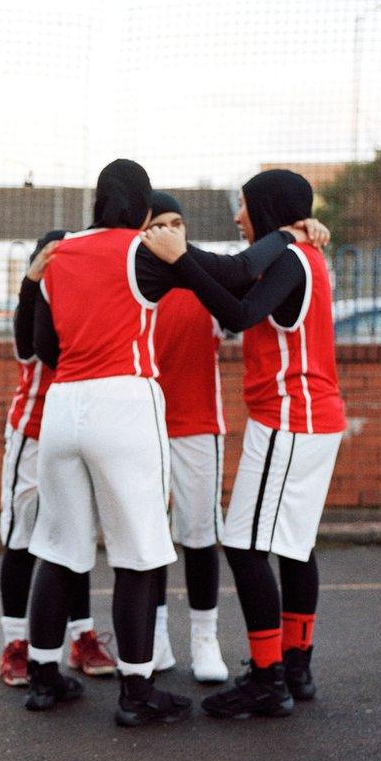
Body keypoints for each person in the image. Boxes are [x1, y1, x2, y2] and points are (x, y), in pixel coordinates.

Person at [24, 160, 317, 727]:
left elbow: (43, 346)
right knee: (139, 553)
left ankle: (43, 676)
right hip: (123, 401)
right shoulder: (139, 251)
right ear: (139, 208)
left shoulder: (59, 253)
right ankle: (137, 692)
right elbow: (234, 277)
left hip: (62, 406)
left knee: (58, 548)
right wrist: (285, 233)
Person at [143, 169, 345, 719]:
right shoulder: (296, 254)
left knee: (245, 545)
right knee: (294, 545)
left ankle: (268, 678)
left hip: (289, 418)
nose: (237, 216)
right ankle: (295, 666)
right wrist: (181, 254)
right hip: (310, 418)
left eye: (243, 205)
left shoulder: (289, 260)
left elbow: (237, 311)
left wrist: (181, 259)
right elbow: (231, 274)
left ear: (265, 206)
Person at [0, 230, 116, 686]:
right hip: (33, 432)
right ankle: (16, 643)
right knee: (23, 537)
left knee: (75, 537)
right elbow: (28, 344)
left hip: (79, 431)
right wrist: (32, 279)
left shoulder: (89, 304)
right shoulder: (36, 303)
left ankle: (81, 635)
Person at [146, 191, 229, 684]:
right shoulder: (134, 284)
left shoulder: (205, 281)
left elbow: (254, 280)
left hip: (198, 427)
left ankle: (205, 638)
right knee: (149, 541)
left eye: (180, 222)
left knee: (200, 537)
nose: (174, 230)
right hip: (144, 429)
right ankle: (155, 638)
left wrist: (306, 229)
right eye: (163, 223)